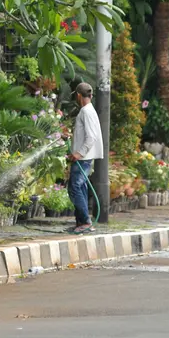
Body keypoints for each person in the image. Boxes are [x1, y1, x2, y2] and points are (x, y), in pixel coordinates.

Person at [66, 83, 103, 234]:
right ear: (91, 95)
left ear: (78, 96)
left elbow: (91, 137)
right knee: (80, 187)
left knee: (74, 188)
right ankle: (81, 222)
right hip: (84, 157)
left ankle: (86, 222)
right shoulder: (88, 110)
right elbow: (86, 134)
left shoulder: (86, 112)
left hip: (83, 158)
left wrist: (79, 153)